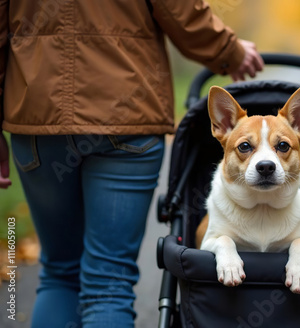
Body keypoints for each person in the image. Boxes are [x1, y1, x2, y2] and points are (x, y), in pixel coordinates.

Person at [0, 1, 263, 327]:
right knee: (108, 282)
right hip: (126, 111)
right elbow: (179, 9)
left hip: (38, 111)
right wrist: (229, 51)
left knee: (58, 271)